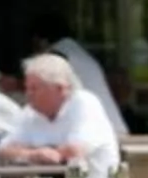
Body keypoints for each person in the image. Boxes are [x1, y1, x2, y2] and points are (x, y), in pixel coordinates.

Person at [0, 52, 122, 176]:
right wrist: (33, 155)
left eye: (34, 88)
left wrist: (32, 151)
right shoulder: (30, 112)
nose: (28, 94)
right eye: (27, 88)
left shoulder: (84, 103)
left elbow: (75, 152)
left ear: (60, 88)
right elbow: (3, 151)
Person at [32, 13, 131, 141]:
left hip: (101, 135)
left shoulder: (59, 55)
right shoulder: (75, 52)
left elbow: (45, 84)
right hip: (111, 129)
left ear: (41, 40)